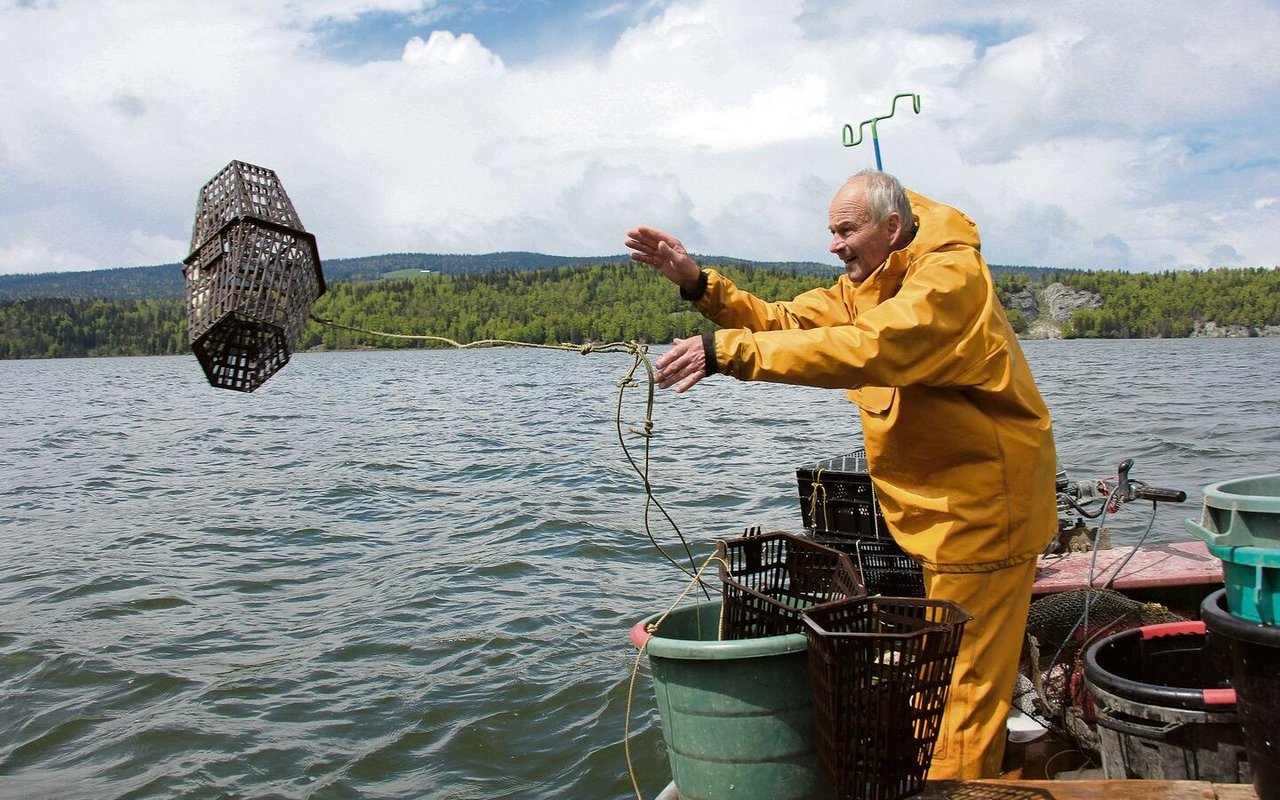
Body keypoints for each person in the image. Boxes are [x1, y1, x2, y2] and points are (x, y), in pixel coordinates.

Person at [624, 169, 1058, 781]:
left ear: (892, 227)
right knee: (946, 671)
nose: (834, 245)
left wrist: (726, 352)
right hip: (935, 515)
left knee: (962, 693)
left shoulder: (948, 279)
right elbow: (790, 324)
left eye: (846, 231)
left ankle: (954, 788)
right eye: (831, 232)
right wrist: (700, 286)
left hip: (986, 509)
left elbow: (872, 347)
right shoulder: (869, 279)